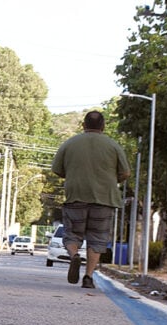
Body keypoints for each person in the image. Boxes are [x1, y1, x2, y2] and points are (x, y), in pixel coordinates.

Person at [50, 110, 130, 289]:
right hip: (104, 198)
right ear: (103, 126)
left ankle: (74, 256)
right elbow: (125, 172)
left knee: (72, 234)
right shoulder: (113, 145)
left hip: (76, 195)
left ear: (84, 125)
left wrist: (70, 175)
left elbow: (56, 168)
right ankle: (88, 277)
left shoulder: (70, 143)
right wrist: (111, 180)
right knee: (98, 238)